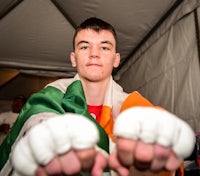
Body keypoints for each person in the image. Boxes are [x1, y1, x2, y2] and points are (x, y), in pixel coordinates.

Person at [0, 17, 195, 176]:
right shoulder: (52, 95)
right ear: (73, 58)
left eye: (104, 47)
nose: (94, 54)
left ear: (116, 59)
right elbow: (38, 125)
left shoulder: (132, 105)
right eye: (85, 47)